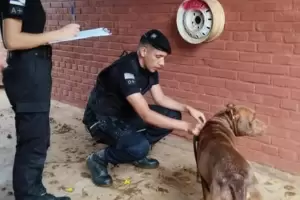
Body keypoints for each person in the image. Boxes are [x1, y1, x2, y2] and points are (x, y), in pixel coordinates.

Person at [82, 29, 207, 187]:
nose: (162, 63)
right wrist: (187, 127)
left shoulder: (150, 69)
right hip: (102, 119)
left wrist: (188, 108)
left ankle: (136, 151)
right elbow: (146, 115)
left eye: (164, 58)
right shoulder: (125, 69)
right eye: (158, 57)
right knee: (139, 146)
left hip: (125, 113)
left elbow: (160, 98)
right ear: (143, 51)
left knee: (173, 115)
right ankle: (99, 159)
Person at [0, 0, 80, 199]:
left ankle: (32, 191)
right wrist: (60, 34)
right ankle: (29, 195)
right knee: (34, 138)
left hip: (34, 66)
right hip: (28, 70)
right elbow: (11, 39)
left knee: (36, 135)